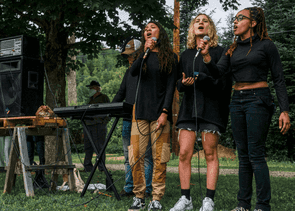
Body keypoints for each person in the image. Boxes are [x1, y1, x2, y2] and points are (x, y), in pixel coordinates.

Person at [199, 7, 291, 211]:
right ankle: (243, 205)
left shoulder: (266, 45)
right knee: (243, 155)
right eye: (234, 18)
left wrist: (284, 110)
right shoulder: (231, 49)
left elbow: (278, 78)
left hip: (258, 100)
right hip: (237, 101)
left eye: (240, 18)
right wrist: (206, 58)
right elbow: (218, 72)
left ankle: (262, 206)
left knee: (255, 154)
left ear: (253, 23)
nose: (235, 21)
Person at [169, 14, 232, 211]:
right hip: (189, 109)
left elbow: (222, 82)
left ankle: (208, 200)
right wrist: (184, 83)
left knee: (210, 153)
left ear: (210, 27)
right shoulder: (186, 54)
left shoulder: (220, 52)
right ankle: (185, 199)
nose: (201, 23)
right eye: (197, 21)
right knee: (184, 153)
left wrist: (203, 78)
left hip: (211, 109)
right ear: (192, 28)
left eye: (205, 21)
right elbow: (178, 85)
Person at [127, 21, 177, 211]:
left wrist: (165, 112)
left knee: (160, 156)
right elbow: (133, 72)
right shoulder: (141, 55)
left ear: (160, 33)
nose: (148, 29)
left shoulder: (170, 57)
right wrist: (145, 52)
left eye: (152, 27)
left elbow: (171, 87)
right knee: (135, 155)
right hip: (139, 114)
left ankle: (156, 197)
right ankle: (138, 196)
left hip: (159, 114)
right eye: (146, 28)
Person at [112, 38, 154, 198]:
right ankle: (129, 187)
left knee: (146, 156)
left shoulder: (149, 71)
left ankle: (147, 189)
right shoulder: (129, 72)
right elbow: (121, 92)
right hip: (128, 119)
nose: (129, 59)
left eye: (131, 55)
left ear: (140, 54)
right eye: (127, 56)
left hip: (144, 118)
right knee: (127, 155)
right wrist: (109, 108)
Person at [82, 80, 110, 172]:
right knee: (88, 146)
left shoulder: (104, 98)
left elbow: (109, 111)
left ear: (97, 88)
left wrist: (103, 122)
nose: (90, 89)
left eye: (92, 88)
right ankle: (87, 167)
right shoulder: (90, 100)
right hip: (88, 125)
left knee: (99, 147)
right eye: (90, 88)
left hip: (99, 126)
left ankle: (101, 168)